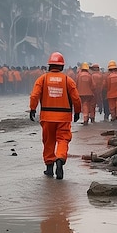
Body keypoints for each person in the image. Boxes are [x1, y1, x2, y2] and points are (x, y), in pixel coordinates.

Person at [29, 52, 81, 180]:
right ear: (62, 67)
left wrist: (32, 109)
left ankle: (49, 168)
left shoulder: (43, 79)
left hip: (47, 116)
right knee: (63, 139)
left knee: (48, 141)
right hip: (64, 117)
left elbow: (34, 95)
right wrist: (77, 112)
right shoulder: (68, 80)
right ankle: (60, 159)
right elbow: (76, 98)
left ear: (49, 65)